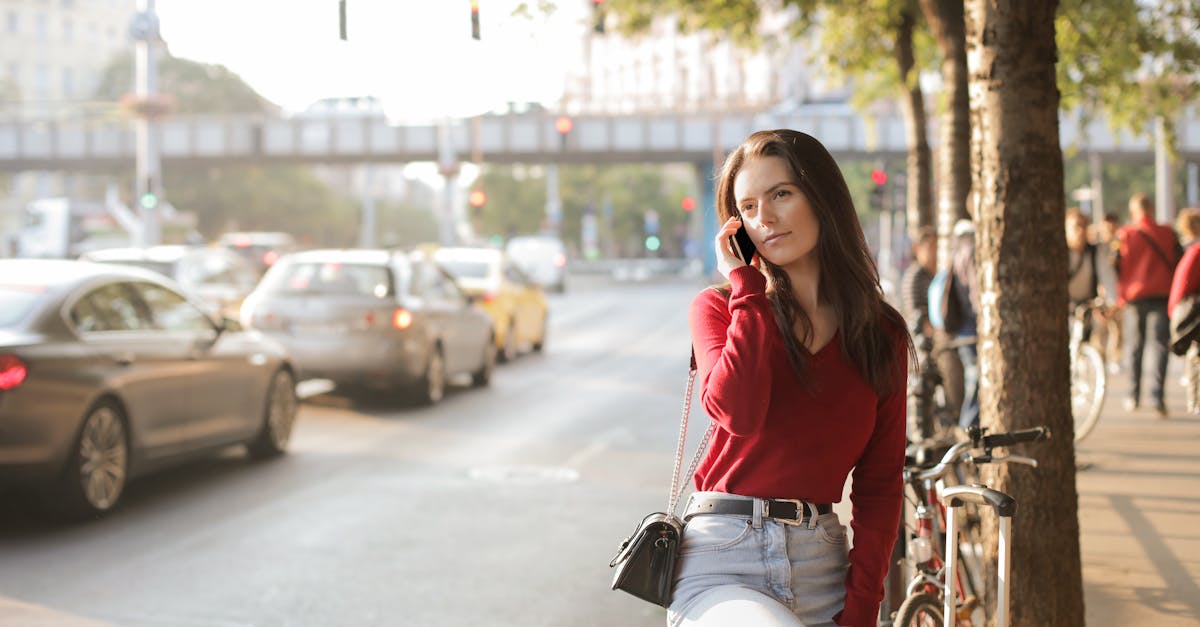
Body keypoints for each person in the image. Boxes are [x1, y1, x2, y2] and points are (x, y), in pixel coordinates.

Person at [678, 129, 914, 627]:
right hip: (724, 560)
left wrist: (863, 609)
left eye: (781, 194)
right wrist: (748, 288)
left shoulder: (880, 333)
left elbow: (880, 484)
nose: (764, 217)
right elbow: (737, 413)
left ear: (821, 197)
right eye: (748, 206)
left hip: (822, 564)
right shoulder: (720, 309)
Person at [1116, 193, 1180, 417]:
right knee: (1160, 346)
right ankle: (1157, 397)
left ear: (1134, 211)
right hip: (1162, 296)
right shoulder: (1167, 233)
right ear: (1151, 209)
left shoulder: (1125, 234)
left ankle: (1133, 395)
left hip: (1134, 298)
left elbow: (1116, 265)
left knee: (1135, 347)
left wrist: (1118, 295)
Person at [1066, 208, 1100, 338]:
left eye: (1084, 226)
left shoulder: (1094, 252)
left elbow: (1107, 278)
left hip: (1086, 308)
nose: (1080, 231)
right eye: (1076, 226)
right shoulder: (1060, 255)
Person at [900, 226, 937, 336]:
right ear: (917, 249)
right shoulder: (916, 275)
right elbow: (916, 313)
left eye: (936, 247)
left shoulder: (930, 273)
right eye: (930, 247)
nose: (934, 252)